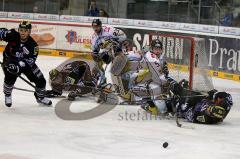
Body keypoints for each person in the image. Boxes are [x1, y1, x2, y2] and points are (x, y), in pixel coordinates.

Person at [0, 21, 52, 107]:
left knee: (41, 80)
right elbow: (1, 32)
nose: (22, 32)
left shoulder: (33, 46)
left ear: (29, 31)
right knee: (10, 78)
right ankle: (8, 94)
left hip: (26, 64)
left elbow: (30, 61)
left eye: (25, 30)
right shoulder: (12, 35)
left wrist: (18, 67)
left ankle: (40, 97)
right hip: (10, 60)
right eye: (21, 30)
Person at [91, 19, 127, 88]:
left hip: (118, 49)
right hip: (107, 53)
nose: (95, 28)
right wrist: (95, 55)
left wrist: (113, 40)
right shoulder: (94, 38)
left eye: (97, 26)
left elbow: (124, 36)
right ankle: (101, 80)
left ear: (100, 26)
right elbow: (95, 51)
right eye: (94, 27)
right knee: (96, 66)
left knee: (118, 65)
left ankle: (122, 83)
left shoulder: (109, 30)